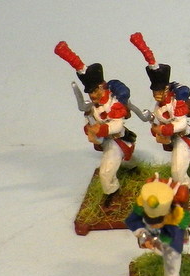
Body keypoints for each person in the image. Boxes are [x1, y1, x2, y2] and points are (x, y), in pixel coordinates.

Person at [54, 41, 136, 200]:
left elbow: (117, 125)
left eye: (95, 90)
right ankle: (131, 168)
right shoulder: (92, 107)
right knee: (125, 161)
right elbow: (89, 123)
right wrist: (89, 130)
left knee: (105, 173)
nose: (92, 95)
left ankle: (112, 193)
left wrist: (100, 129)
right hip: (105, 141)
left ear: (102, 86)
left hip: (117, 139)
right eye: (90, 92)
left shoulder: (113, 103)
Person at [125, 175, 190, 276]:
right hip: (151, 235)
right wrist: (144, 236)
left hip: (167, 240)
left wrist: (157, 246)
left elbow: (175, 246)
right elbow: (132, 221)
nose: (154, 224)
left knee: (172, 269)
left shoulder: (176, 220)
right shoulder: (142, 206)